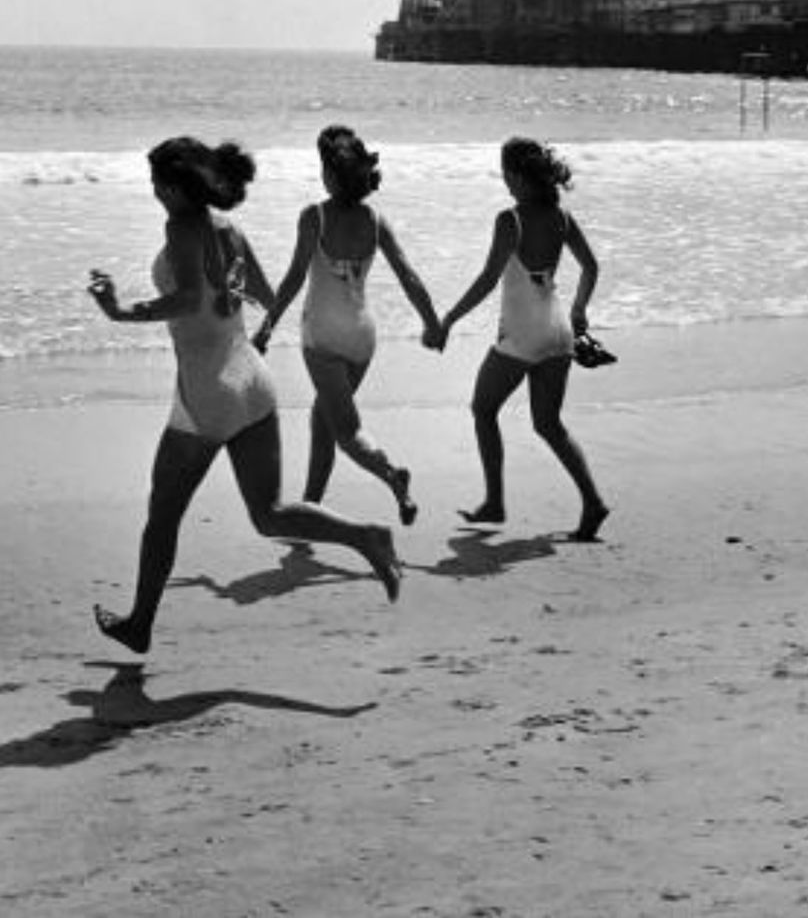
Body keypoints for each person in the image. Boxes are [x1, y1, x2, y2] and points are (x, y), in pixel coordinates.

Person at [88, 136, 401, 656]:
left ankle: (140, 623)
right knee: (270, 514)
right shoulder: (228, 228)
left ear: (171, 186)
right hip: (254, 381)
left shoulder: (180, 225)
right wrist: (228, 291)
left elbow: (188, 298)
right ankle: (365, 536)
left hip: (209, 390)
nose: (153, 191)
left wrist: (121, 311)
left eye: (154, 182)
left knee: (162, 516)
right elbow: (265, 293)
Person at [253, 125, 442, 524]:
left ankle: (393, 476)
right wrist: (432, 323)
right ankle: (311, 506)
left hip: (322, 335)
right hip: (362, 336)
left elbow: (292, 280)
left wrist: (266, 329)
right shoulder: (375, 219)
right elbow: (409, 276)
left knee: (346, 431)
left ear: (330, 176)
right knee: (323, 418)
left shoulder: (314, 217)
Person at [432, 137, 610, 541]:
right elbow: (591, 267)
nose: (504, 181)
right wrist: (580, 312)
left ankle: (495, 501)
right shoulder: (561, 217)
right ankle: (593, 502)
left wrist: (448, 319)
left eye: (505, 173)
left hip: (524, 333)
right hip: (558, 331)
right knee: (549, 425)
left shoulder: (510, 220)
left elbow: (487, 280)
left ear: (516, 174)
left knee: (483, 409)